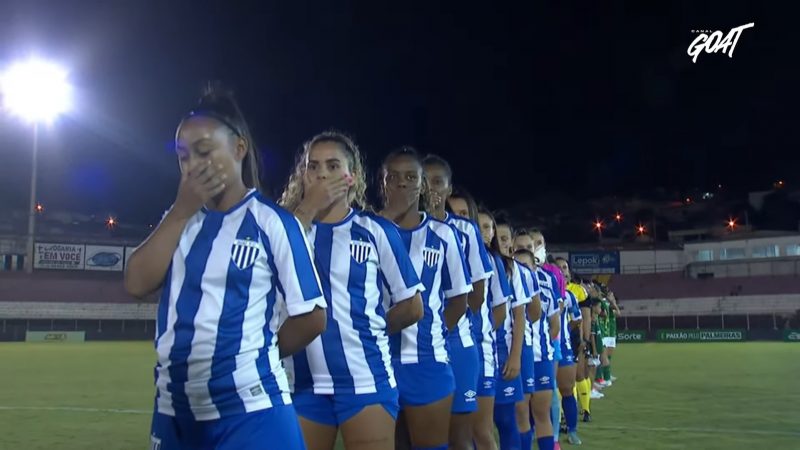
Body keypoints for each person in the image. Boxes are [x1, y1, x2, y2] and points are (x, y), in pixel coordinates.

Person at [125, 87, 327, 450]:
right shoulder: (178, 222)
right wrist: (180, 211)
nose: (192, 165)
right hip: (175, 412)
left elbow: (312, 316)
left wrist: (254, 359)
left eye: (204, 152)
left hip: (252, 411)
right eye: (183, 156)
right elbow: (137, 283)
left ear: (239, 149)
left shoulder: (273, 223)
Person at [279, 131, 424, 450]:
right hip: (301, 384)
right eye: (313, 167)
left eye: (332, 166)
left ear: (352, 177)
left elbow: (413, 306)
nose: (321, 175)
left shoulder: (375, 231)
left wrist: (367, 329)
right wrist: (303, 212)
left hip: (365, 378)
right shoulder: (281, 229)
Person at [379, 147, 472, 450]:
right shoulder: (366, 230)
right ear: (383, 183)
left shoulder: (443, 236)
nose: (402, 184)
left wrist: (433, 334)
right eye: (393, 177)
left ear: (422, 184)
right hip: (376, 363)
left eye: (410, 177)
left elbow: (459, 301)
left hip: (427, 362)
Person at [423, 155, 494, 450]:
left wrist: (444, 326)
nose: (431, 189)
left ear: (450, 188)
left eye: (438, 182)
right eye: (424, 181)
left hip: (457, 342)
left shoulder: (465, 231)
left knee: (460, 437)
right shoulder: (397, 229)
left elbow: (477, 294)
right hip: (416, 347)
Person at [515, 230, 561, 450]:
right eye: (519, 248)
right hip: (518, 357)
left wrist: (543, 347)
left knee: (542, 414)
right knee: (521, 415)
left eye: (529, 247)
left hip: (541, 356)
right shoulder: (506, 276)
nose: (524, 251)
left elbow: (555, 324)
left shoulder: (547, 279)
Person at [491, 226, 536, 450]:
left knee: (509, 419)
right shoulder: (469, 259)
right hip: (479, 354)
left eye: (504, 237)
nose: (498, 240)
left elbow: (522, 315)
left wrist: (515, 355)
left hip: (504, 352)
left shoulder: (513, 270)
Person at [472, 207, 513, 450]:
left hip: (482, 353)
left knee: (482, 432)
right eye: (479, 225)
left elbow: (501, 310)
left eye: (488, 227)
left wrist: (481, 332)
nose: (483, 231)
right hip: (446, 353)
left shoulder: (493, 261)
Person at [554, 258, 583, 445]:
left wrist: (562, 329)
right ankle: (537, 430)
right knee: (538, 393)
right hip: (542, 348)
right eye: (559, 268)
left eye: (565, 267)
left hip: (563, 347)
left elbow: (577, 320)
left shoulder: (570, 296)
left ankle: (572, 430)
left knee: (567, 389)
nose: (563, 270)